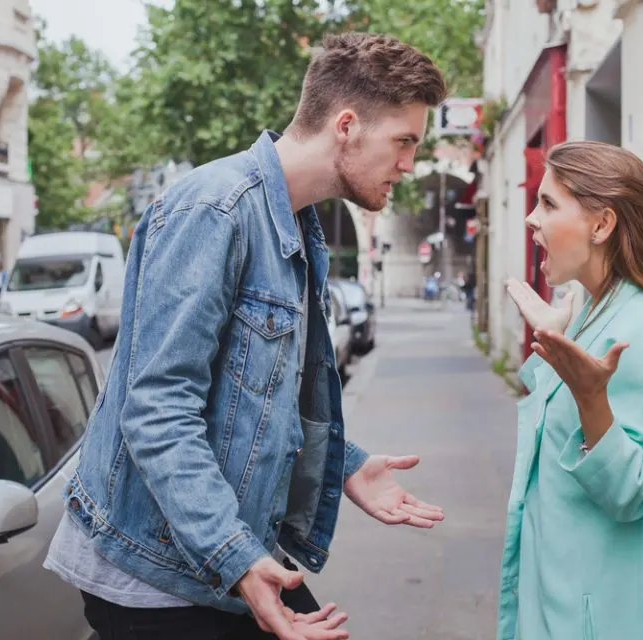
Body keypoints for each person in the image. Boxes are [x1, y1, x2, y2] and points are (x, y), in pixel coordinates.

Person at [43, 32, 448, 640]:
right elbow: (156, 411)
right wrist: (237, 558)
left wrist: (344, 464)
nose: (409, 164)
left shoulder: (294, 221)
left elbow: (258, 399)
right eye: (404, 141)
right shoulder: (215, 210)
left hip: (212, 548)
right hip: (153, 573)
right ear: (346, 126)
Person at [498, 141, 643, 640]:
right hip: (572, 605)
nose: (532, 220)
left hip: (612, 617)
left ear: (602, 225)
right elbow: (555, 434)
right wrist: (556, 341)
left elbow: (630, 489)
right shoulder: (601, 313)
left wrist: (591, 398)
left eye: (549, 204)